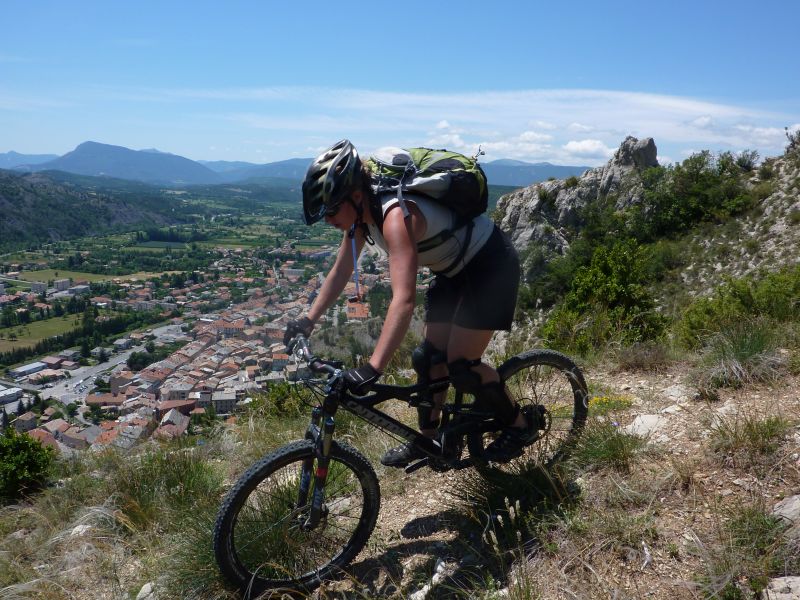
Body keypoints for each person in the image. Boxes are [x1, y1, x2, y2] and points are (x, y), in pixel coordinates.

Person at [284, 139, 533, 464]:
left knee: (462, 365)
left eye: (331, 210)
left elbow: (403, 300)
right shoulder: (362, 215)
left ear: (355, 195)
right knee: (429, 358)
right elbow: (341, 271)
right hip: (453, 272)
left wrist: (374, 367)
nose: (328, 220)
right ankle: (428, 442)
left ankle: (519, 425)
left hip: (490, 267)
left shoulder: (396, 217)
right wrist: (308, 320)